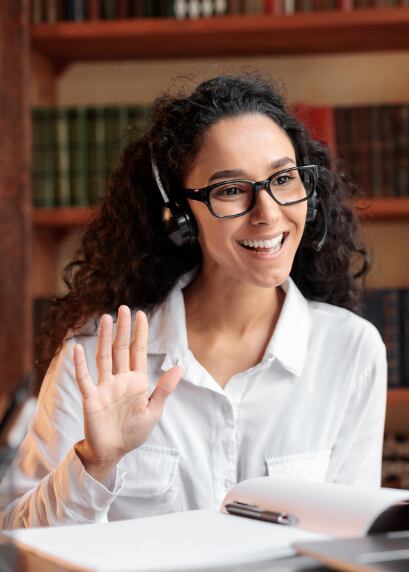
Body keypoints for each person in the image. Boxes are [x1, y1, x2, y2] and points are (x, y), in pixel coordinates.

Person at [0, 72, 387, 528]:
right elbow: (17, 545)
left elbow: (357, 540)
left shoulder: (351, 350)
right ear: (181, 217)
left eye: (282, 179)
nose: (267, 213)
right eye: (229, 190)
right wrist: (94, 463)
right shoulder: (95, 354)